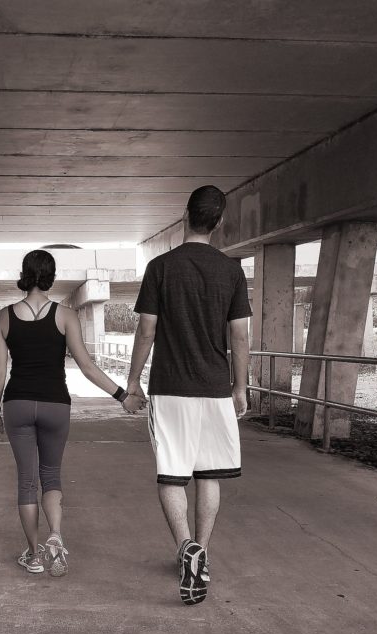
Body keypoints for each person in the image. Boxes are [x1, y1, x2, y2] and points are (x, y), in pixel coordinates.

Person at [126, 185, 251, 605]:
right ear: (219, 222)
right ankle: (202, 549)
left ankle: (185, 550)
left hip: (171, 388)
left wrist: (132, 381)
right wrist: (239, 387)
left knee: (171, 473)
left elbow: (147, 330)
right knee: (209, 474)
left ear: (185, 216)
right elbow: (240, 336)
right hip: (215, 387)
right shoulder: (231, 271)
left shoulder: (160, 267)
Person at [0, 249, 146, 577]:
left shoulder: (4, 317)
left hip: (17, 404)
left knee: (26, 482)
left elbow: (0, 373)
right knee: (51, 476)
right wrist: (122, 396)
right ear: (50, 276)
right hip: (55, 404)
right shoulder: (66, 316)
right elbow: (87, 367)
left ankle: (34, 557)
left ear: (24, 273)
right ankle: (55, 536)